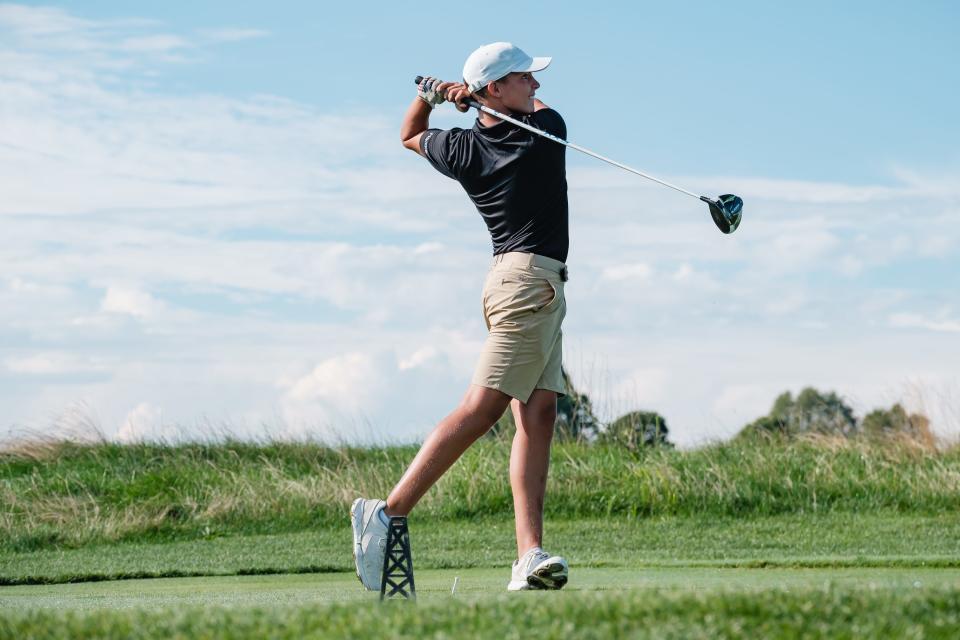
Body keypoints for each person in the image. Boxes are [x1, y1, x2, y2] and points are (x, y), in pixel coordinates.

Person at [351, 42, 570, 592]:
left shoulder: (462, 147)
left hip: (526, 284)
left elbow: (408, 135)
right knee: (483, 408)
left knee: (538, 414)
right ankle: (387, 513)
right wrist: (469, 99)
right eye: (524, 78)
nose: (537, 87)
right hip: (527, 285)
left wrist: (432, 99)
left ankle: (529, 556)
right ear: (496, 88)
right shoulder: (544, 131)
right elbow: (541, 114)